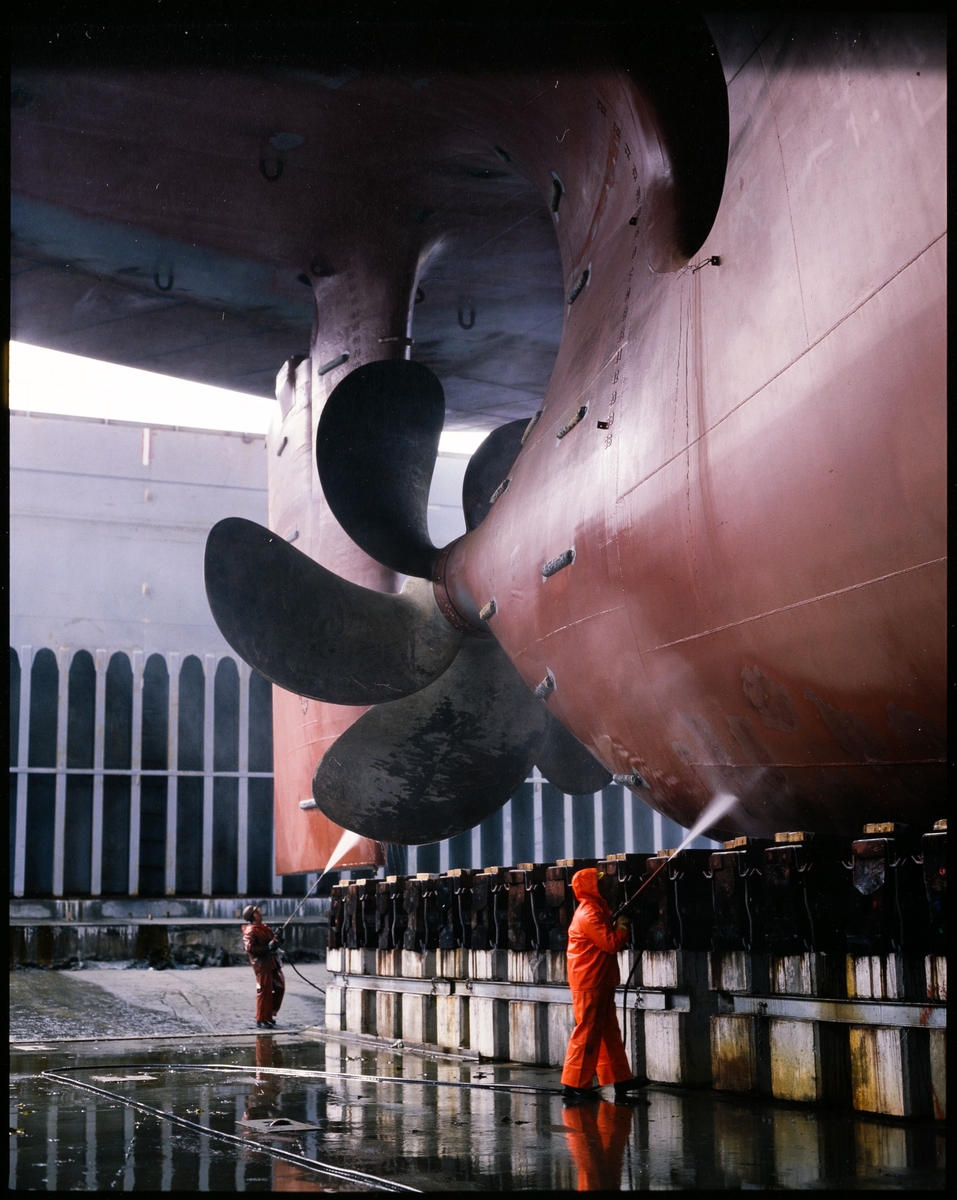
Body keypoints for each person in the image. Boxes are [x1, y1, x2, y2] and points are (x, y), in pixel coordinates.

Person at [561, 867, 647, 1103]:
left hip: (599, 980)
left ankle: (620, 1079)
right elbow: (609, 943)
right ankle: (574, 1086)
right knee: (586, 1034)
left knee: (609, 1031)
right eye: (600, 881)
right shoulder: (588, 913)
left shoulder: (596, 909)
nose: (606, 883)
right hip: (590, 983)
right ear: (590, 888)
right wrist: (622, 925)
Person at [241, 904, 285, 1028]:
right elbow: (250, 948)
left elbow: (274, 942)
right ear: (251, 917)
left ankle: (269, 1015)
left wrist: (279, 936)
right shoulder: (250, 930)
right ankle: (262, 1019)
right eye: (256, 912)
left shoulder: (264, 927)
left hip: (273, 962)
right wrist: (267, 948)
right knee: (264, 992)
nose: (260, 913)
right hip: (262, 965)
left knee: (279, 987)